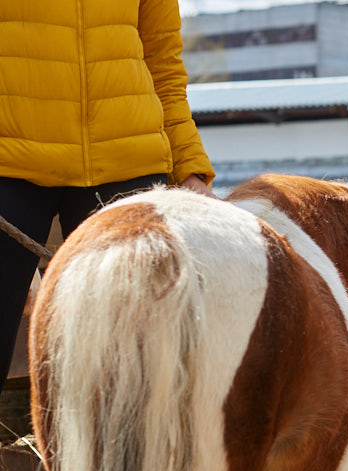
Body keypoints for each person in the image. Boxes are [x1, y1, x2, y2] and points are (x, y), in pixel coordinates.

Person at [0, 0, 216, 383]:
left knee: (134, 367)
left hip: (127, 165)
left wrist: (189, 168)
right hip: (10, 164)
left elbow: (163, 66)